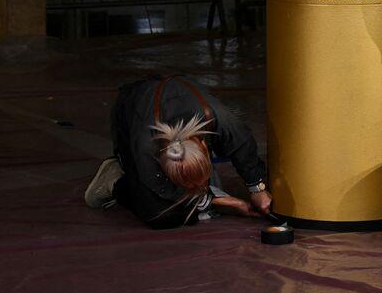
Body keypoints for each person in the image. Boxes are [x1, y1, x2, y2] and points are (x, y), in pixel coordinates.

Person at [84, 75, 273, 228]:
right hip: (130, 112)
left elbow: (242, 144)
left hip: (179, 103)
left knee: (190, 205)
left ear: (203, 146)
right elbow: (160, 186)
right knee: (159, 214)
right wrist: (223, 201)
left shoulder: (217, 115)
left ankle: (198, 191)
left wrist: (257, 187)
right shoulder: (145, 147)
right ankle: (114, 180)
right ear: (161, 163)